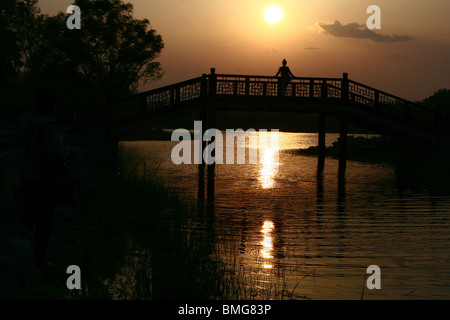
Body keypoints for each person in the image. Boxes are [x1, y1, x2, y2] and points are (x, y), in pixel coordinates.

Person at [16, 87, 73, 267]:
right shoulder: (48, 125)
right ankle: (39, 257)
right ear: (52, 104)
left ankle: (23, 249)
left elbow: (17, 144)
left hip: (26, 173)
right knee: (44, 217)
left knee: (28, 211)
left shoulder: (24, 121)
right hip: (44, 176)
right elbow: (57, 151)